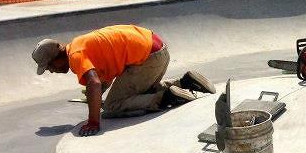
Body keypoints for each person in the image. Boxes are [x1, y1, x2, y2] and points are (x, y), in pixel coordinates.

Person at [32, 24, 215, 136]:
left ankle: (167, 97)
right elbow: (103, 78)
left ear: (57, 57)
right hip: (157, 50)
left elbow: (94, 83)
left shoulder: (76, 56)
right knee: (135, 94)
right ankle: (184, 82)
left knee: (113, 106)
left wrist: (93, 122)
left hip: (148, 59)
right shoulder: (79, 44)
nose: (51, 71)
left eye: (49, 67)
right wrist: (95, 93)